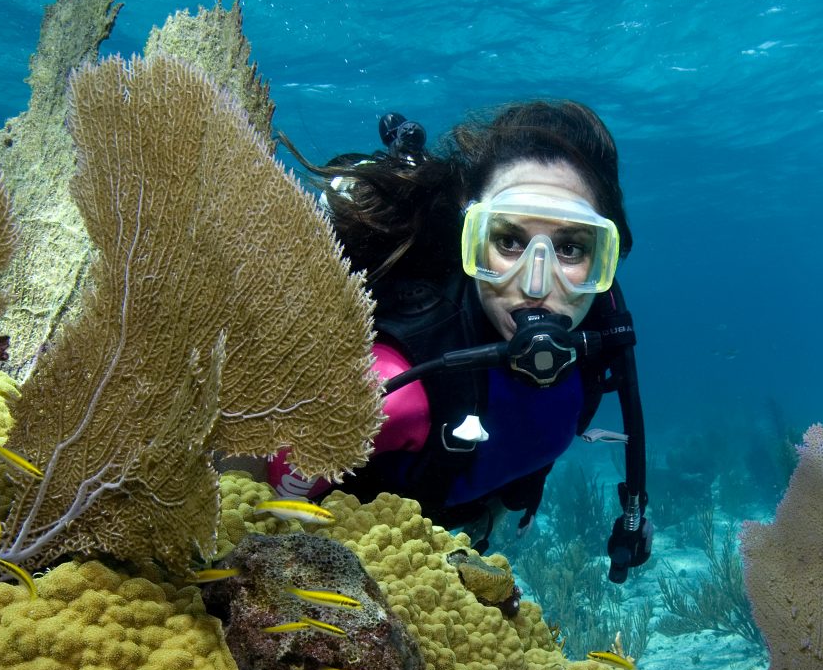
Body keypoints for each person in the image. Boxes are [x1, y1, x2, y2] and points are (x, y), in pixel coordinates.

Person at [272, 100, 653, 583]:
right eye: (509, 241)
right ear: (469, 240)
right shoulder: (390, 390)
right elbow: (266, 517)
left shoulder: (598, 333)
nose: (536, 285)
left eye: (572, 248)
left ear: (605, 260)